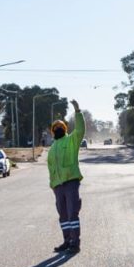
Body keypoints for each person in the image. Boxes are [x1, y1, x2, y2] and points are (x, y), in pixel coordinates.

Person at [47, 99, 86, 253]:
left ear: (64, 129)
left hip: (70, 182)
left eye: (60, 127)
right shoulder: (52, 148)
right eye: (55, 128)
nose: (57, 129)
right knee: (63, 216)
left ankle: (75, 244)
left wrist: (77, 111)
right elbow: (51, 169)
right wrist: (53, 185)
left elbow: (81, 130)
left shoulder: (71, 141)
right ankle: (67, 240)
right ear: (52, 131)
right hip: (57, 186)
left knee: (72, 214)